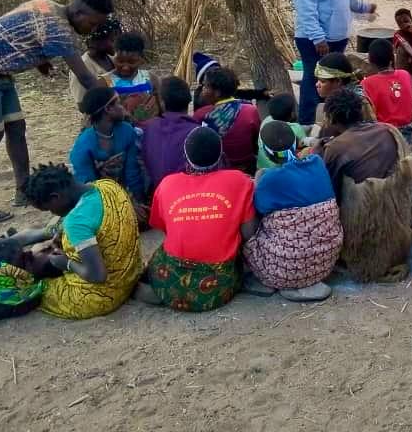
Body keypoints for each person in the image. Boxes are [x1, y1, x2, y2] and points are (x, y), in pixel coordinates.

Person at [0, 0, 113, 213]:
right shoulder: (59, 29)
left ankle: (23, 191)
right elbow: (86, 78)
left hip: (2, 75)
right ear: (78, 14)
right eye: (92, 23)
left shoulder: (48, 5)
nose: (93, 30)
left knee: (16, 129)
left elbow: (24, 32)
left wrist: (40, 60)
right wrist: (116, 99)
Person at [144, 127, 256, 312]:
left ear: (186, 157)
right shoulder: (240, 181)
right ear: (221, 156)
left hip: (170, 282)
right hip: (218, 287)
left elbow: (165, 229)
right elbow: (249, 233)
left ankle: (148, 291)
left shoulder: (167, 184)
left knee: (159, 253)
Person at [14, 163, 141, 319]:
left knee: (28, 289)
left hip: (101, 296)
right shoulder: (108, 186)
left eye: (49, 209)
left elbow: (98, 276)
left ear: (55, 197)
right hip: (131, 273)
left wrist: (67, 263)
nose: (52, 213)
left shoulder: (75, 222)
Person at [289, 0, 377, 125]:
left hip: (337, 36)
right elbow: (305, 7)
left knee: (334, 83)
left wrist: (364, 7)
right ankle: (307, 125)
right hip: (316, 39)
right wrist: (318, 37)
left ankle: (332, 123)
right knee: (314, 82)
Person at [321, 90, 412, 282]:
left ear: (331, 118)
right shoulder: (388, 130)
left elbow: (330, 196)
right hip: (398, 220)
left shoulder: (336, 148)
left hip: (366, 232)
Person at [243, 121, 341, 300]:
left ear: (266, 153)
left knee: (247, 225)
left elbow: (257, 212)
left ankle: (276, 281)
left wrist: (258, 178)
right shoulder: (317, 163)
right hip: (325, 262)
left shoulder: (269, 180)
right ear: (296, 143)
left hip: (284, 270)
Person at [70, 88, 144, 208]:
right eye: (119, 103)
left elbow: (132, 172)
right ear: (108, 109)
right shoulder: (82, 147)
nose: (123, 107)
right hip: (100, 200)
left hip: (126, 192)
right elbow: (89, 188)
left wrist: (138, 202)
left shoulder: (127, 131)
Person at [193, 66, 262, 174]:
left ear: (217, 92)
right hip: (247, 170)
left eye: (205, 86)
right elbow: (257, 142)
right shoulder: (250, 110)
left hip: (216, 172)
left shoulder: (201, 115)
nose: (202, 90)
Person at [141, 76, 200, 197]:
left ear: (162, 103)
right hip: (188, 197)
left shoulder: (150, 127)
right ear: (189, 100)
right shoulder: (198, 132)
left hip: (158, 195)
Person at [360, 38, 412, 139]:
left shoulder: (367, 83)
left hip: (386, 134)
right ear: (392, 58)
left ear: (370, 61)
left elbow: (369, 115)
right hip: (409, 129)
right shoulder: (405, 74)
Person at [103, 31, 161, 125]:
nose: (125, 67)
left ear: (141, 59)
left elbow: (163, 110)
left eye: (132, 62)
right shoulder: (104, 82)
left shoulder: (151, 79)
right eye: (120, 61)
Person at [68, 16, 121, 104]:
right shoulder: (81, 68)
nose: (117, 44)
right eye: (113, 40)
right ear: (97, 41)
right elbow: (82, 104)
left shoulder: (113, 59)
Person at [313, 52, 374, 125]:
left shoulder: (355, 103)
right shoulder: (334, 98)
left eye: (322, 81)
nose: (317, 84)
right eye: (318, 80)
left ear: (338, 81)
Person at [256, 92, 307, 172]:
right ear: (292, 113)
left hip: (262, 168)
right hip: (283, 170)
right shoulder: (296, 128)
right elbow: (304, 147)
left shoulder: (266, 120)